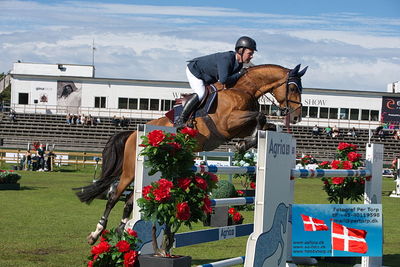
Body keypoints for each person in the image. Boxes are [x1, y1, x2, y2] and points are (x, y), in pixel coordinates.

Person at [175, 36, 257, 128]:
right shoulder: (227, 59)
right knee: (201, 93)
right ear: (241, 51)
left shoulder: (239, 64)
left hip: (208, 76)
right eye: (250, 53)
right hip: (195, 71)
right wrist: (239, 73)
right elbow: (223, 80)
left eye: (252, 54)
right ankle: (181, 119)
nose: (251, 56)